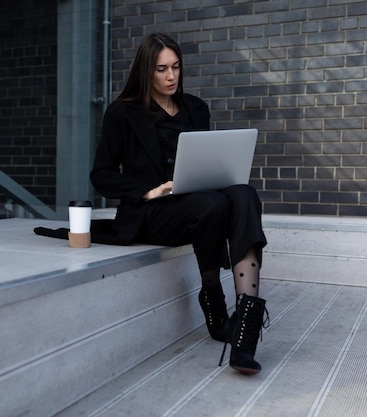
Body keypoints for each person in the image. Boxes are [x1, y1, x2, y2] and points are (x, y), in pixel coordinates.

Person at [90, 33, 269, 376]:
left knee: (245, 193)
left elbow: (204, 163)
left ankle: (245, 331)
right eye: (161, 69)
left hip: (200, 202)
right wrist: (149, 190)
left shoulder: (196, 108)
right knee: (212, 206)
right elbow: (101, 174)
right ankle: (212, 296)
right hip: (154, 213)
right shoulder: (122, 113)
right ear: (146, 72)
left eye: (175, 67)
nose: (171, 76)